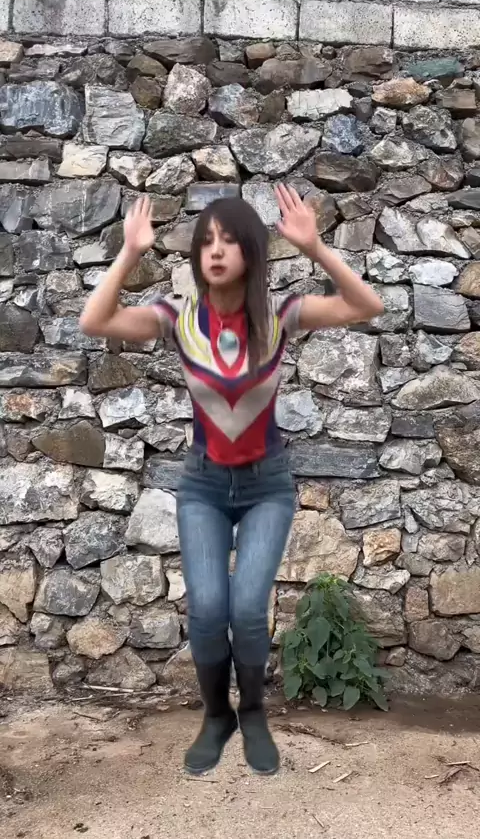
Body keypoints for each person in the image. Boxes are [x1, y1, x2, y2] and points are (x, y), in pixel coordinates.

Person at [80, 185, 383, 776]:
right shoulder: (177, 319)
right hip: (204, 486)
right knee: (206, 609)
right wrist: (131, 252)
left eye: (228, 240)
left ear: (251, 250)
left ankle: (254, 712)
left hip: (268, 486)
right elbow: (95, 320)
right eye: (206, 242)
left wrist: (316, 247)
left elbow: (365, 306)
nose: (215, 250)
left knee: (246, 609)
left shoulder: (279, 316)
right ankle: (217, 716)